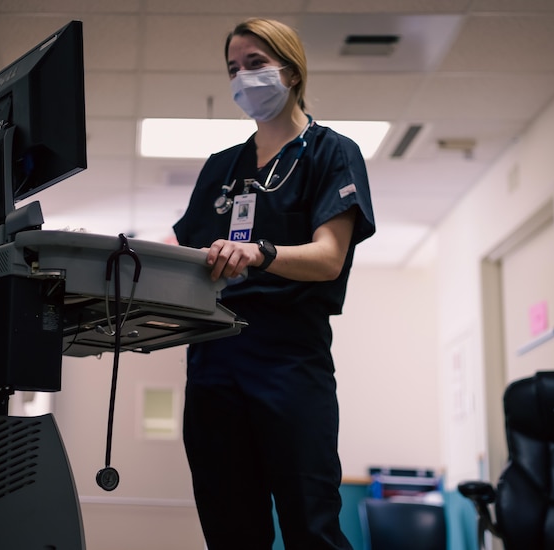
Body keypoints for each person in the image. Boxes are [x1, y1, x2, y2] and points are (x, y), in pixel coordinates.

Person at [173, 17, 375, 549]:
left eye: (256, 64)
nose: (243, 78)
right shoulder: (222, 167)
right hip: (214, 357)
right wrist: (110, 257)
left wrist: (259, 252)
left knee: (312, 526)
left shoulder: (332, 152)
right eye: (234, 69)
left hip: (288, 358)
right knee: (230, 528)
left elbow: (329, 257)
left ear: (292, 68)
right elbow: (184, 255)